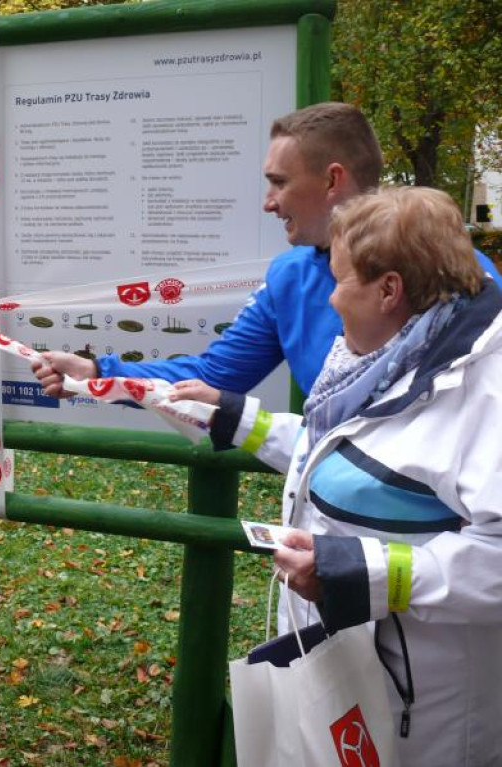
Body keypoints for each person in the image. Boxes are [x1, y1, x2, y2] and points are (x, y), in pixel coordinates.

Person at [170, 186, 502, 765]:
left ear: (389, 290)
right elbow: (350, 455)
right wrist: (236, 418)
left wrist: (364, 572)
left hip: (430, 717)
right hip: (353, 679)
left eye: (340, 281)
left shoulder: (484, 392)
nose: (328, 301)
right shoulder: (383, 361)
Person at [32, 103, 502, 398]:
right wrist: (97, 371)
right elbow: (216, 375)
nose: (268, 202)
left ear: (332, 179)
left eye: (279, 182)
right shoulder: (291, 276)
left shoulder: (457, 271)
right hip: (321, 527)